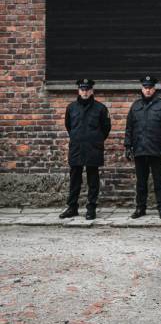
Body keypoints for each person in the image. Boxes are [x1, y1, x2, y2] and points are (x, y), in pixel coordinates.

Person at [124, 75, 161, 219]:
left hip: (157, 151)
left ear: (154, 89)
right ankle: (140, 208)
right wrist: (128, 146)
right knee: (141, 183)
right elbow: (129, 127)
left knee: (159, 182)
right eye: (145, 87)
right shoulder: (135, 106)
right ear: (142, 88)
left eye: (150, 88)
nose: (147, 90)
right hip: (139, 150)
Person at [59, 79, 111, 220]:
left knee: (93, 178)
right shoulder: (71, 108)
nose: (85, 92)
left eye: (87, 89)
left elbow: (106, 128)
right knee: (74, 178)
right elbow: (69, 126)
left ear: (92, 90)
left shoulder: (100, 108)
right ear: (78, 90)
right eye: (82, 89)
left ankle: (91, 208)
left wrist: (95, 139)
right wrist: (78, 138)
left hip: (93, 148)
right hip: (76, 147)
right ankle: (72, 207)